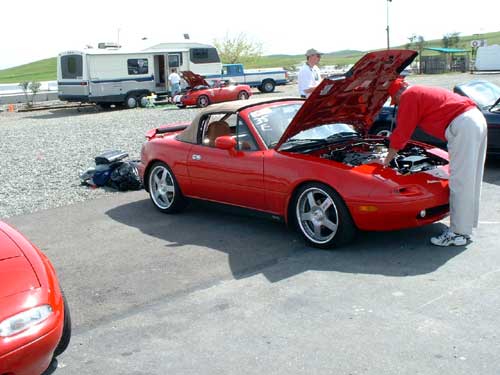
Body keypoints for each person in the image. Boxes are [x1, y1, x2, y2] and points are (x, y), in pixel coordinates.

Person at [382, 77, 488, 247]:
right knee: (471, 177)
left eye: (396, 101)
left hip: (463, 124)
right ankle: (466, 227)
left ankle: (458, 233)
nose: (398, 104)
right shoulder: (421, 91)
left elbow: (402, 132)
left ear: (399, 92)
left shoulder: (410, 96)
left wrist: (386, 161)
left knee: (460, 180)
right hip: (475, 118)